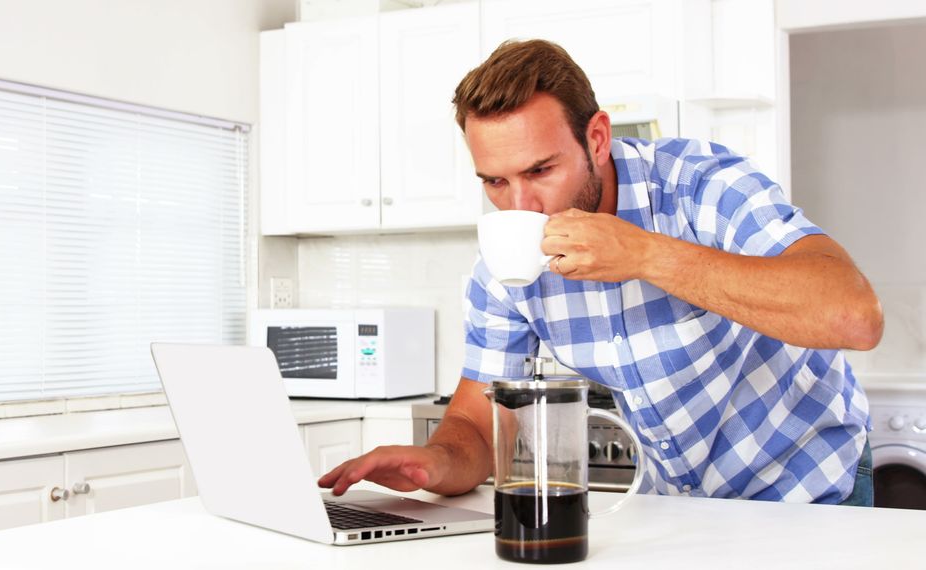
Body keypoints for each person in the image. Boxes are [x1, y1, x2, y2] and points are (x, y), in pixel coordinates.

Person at [318, 39, 883, 505]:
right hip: (682, 507)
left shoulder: (699, 186)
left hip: (814, 484)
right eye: (494, 181)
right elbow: (475, 417)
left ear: (596, 138)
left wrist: (644, 254)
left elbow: (853, 316)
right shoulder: (503, 262)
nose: (520, 205)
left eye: (540, 170)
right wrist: (434, 462)